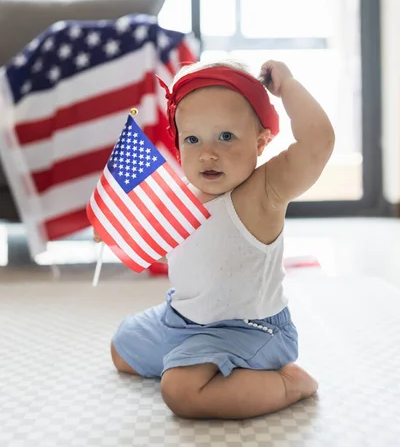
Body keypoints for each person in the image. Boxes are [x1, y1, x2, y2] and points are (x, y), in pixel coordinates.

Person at [93, 59, 335, 420]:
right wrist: (121, 234)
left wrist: (288, 86)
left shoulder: (262, 191)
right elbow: (185, 255)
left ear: (261, 142)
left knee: (180, 392)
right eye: (193, 139)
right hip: (183, 319)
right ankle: (203, 362)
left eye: (225, 136)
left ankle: (286, 384)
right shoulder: (183, 197)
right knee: (121, 349)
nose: (208, 152)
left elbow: (318, 143)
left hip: (249, 328)